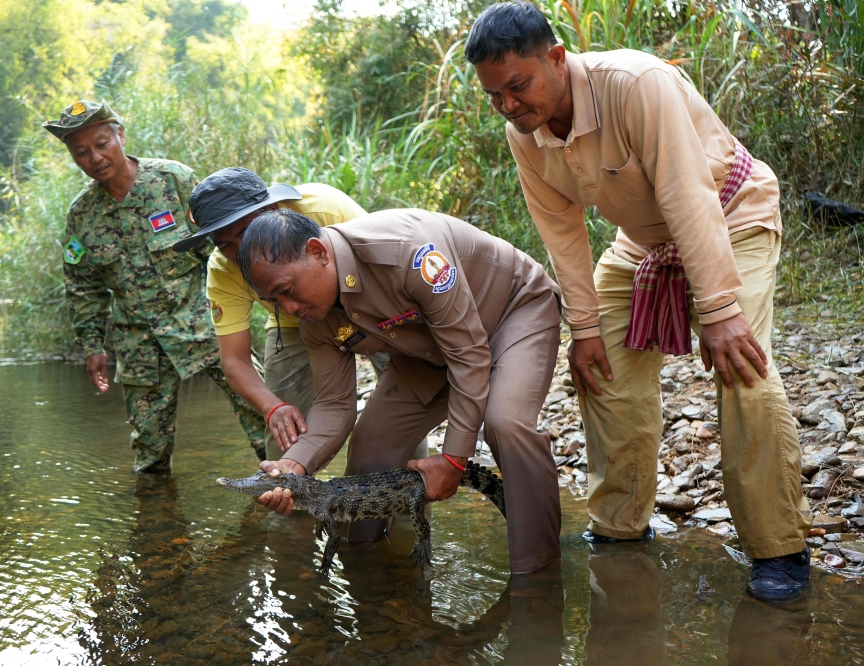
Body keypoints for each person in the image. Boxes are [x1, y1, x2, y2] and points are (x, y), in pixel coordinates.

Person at [465, 2, 811, 600]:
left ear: (556, 58)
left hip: (731, 214)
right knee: (601, 371)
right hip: (643, 244)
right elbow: (562, 233)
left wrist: (721, 311)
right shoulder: (524, 134)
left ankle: (780, 548)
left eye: (517, 87)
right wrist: (586, 327)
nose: (509, 107)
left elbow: (687, 194)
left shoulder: (635, 84)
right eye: (495, 96)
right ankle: (620, 527)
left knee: (742, 368)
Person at [236, 207, 564, 574]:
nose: (290, 308)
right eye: (275, 302)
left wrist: (454, 459)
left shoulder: (408, 252)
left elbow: (468, 355)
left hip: (511, 314)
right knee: (372, 442)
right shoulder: (317, 317)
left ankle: (538, 575)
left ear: (318, 252)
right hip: (429, 352)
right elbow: (332, 404)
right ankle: (366, 571)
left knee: (505, 423)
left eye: (287, 291)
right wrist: (293, 466)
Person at [43, 100, 265, 473]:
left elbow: (223, 246)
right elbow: (82, 286)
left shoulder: (174, 181)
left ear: (120, 135)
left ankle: (293, 483)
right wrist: (92, 346)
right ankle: (156, 524)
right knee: (150, 453)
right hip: (139, 345)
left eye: (102, 143)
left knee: (262, 408)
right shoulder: (82, 215)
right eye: (81, 152)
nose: (95, 157)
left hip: (205, 324)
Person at [172, 168, 386, 461]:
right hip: (294, 323)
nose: (240, 253)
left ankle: (407, 501)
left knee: (401, 407)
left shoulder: (325, 209)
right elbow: (234, 359)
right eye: (225, 245)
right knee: (284, 433)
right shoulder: (223, 268)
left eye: (245, 233)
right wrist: (273, 408)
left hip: (372, 305)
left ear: (271, 208)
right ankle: (287, 495)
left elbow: (385, 268)